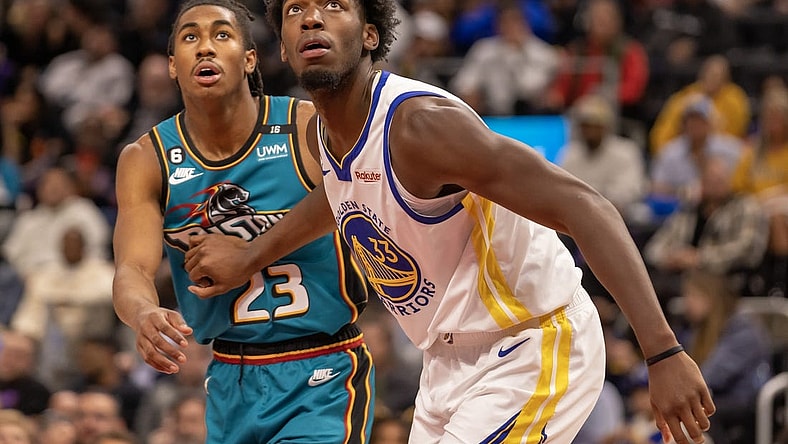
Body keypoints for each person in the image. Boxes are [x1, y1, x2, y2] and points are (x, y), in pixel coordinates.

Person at [185, 0, 715, 443]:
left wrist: (662, 351)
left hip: (532, 342)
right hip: (445, 361)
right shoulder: (327, 133)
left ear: (370, 35)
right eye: (295, 9)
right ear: (282, 48)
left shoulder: (421, 127)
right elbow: (340, 192)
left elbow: (585, 206)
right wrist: (249, 257)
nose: (311, 17)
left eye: (334, 5)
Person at [111, 1, 374, 443]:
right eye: (190, 37)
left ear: (250, 59)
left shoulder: (304, 126)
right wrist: (144, 314)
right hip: (229, 377)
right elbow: (131, 269)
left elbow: (355, 199)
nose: (205, 47)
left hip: (323, 368)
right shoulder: (146, 158)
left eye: (222, 35)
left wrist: (250, 253)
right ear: (173, 66)